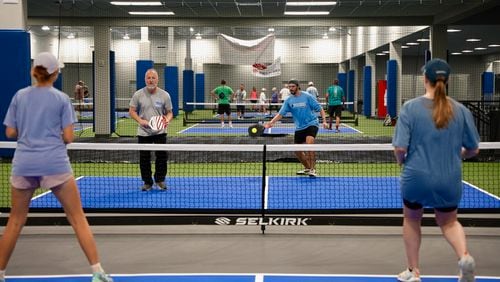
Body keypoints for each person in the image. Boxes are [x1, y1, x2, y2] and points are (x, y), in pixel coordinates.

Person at [0, 52, 113, 282]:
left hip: (24, 163)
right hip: (54, 164)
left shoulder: (19, 96)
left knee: (14, 221)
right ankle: (98, 272)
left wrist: (31, 132)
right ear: (55, 73)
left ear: (34, 71)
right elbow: (69, 137)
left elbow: (10, 132)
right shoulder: (61, 99)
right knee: (77, 218)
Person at [392, 59, 480, 282]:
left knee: (412, 220)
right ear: (447, 80)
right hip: (449, 177)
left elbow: (400, 148)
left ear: (425, 79)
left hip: (416, 177)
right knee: (449, 222)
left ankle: (413, 272)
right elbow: (473, 149)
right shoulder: (460, 110)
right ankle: (465, 257)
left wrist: (402, 162)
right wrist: (457, 155)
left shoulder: (410, 108)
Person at [264, 79, 328, 177]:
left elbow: (320, 109)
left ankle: (313, 169)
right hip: (299, 127)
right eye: (289, 87)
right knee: (297, 150)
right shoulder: (289, 100)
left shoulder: (307, 96)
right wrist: (271, 122)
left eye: (293, 86)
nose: (291, 89)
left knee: (309, 143)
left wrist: (324, 121)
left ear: (297, 86)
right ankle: (307, 168)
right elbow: (281, 114)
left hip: (312, 123)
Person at [129, 69, 173, 191]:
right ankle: (147, 182)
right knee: (144, 159)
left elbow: (169, 113)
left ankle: (159, 180)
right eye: (148, 78)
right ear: (145, 79)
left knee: (162, 157)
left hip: (160, 132)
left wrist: (167, 120)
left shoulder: (165, 95)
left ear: (157, 79)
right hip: (143, 132)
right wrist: (140, 121)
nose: (151, 80)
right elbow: (132, 111)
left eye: (153, 78)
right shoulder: (138, 94)